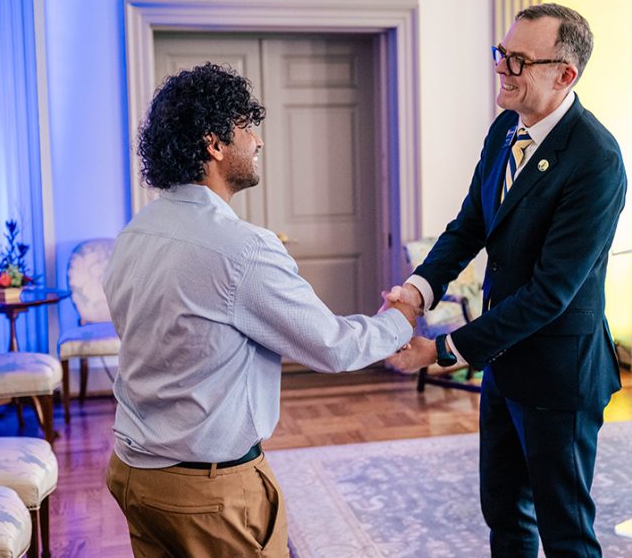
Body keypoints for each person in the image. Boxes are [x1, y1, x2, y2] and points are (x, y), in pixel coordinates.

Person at [103, 63, 418, 558]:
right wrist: (401, 318)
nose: (259, 142)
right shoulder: (242, 249)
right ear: (215, 143)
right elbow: (333, 347)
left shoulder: (133, 233)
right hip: (206, 494)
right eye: (248, 128)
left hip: (134, 475)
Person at [386, 4, 627, 558]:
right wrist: (417, 291)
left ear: (565, 75)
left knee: (565, 533)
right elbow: (471, 223)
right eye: (502, 53)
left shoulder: (596, 159)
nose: (503, 68)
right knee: (504, 515)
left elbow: (551, 294)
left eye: (519, 60)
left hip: (558, 376)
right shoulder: (503, 130)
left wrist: (443, 349)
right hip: (503, 364)